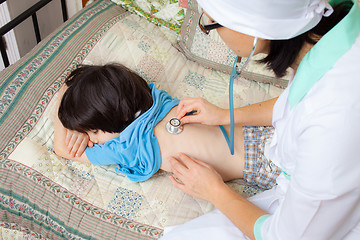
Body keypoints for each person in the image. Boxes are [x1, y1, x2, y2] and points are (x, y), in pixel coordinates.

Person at [160, 0, 360, 239]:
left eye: (210, 23)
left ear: (252, 29)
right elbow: (298, 104)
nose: (210, 30)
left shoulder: (334, 119)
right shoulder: (335, 38)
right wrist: (226, 115)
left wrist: (213, 190)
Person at [53, 63, 281, 185]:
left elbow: (62, 149)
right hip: (263, 127)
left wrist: (62, 96)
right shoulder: (156, 98)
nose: (92, 140)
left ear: (120, 117)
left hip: (266, 164)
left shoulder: (126, 147)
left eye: (93, 131)